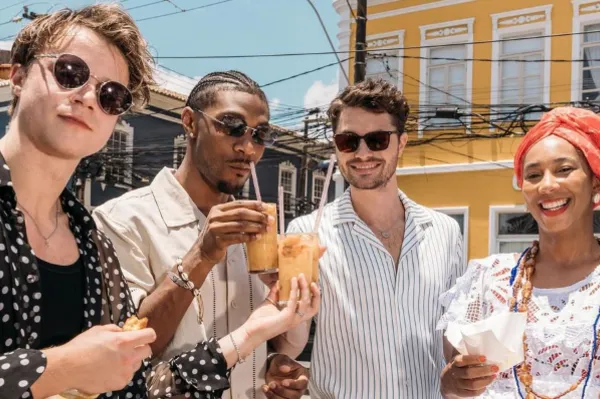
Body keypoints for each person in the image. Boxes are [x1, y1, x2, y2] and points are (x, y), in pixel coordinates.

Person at [0, 5, 319, 399]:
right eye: (69, 73)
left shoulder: (86, 237)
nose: (86, 98)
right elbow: (128, 352)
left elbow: (133, 381)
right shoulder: (116, 221)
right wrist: (62, 366)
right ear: (17, 75)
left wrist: (261, 348)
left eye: (111, 95)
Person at [93, 71, 313, 399]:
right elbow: (128, 345)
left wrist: (274, 363)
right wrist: (203, 254)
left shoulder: (258, 234)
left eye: (260, 134)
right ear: (190, 122)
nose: (247, 147)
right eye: (232, 126)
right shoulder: (122, 221)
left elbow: (268, 340)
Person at [286, 78, 465, 398]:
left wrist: (463, 368)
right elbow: (291, 345)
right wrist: (287, 324)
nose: (362, 152)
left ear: (402, 143)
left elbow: (451, 336)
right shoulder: (305, 234)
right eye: (348, 141)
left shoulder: (445, 232)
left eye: (378, 140)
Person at [438, 106, 600, 398]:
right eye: (534, 175)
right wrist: (453, 382)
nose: (547, 185)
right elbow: (454, 379)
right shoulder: (490, 279)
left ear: (595, 182)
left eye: (564, 169)